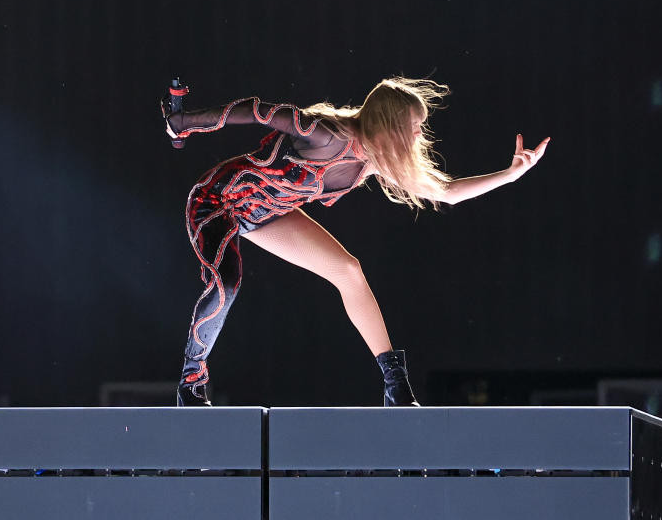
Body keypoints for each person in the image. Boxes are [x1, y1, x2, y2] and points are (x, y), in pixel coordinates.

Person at [162, 76, 549, 406]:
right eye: (414, 124)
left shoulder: (373, 160)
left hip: (265, 215)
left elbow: (445, 192)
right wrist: (185, 121)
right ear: (391, 122)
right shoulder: (326, 132)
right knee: (225, 284)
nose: (419, 133)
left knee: (348, 271)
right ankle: (192, 382)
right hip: (216, 199)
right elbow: (256, 109)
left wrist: (509, 176)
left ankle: (396, 386)